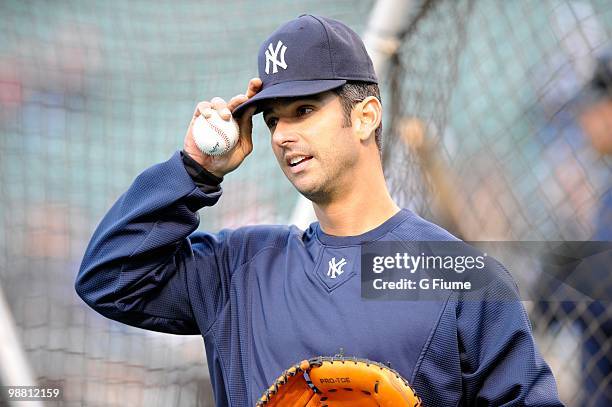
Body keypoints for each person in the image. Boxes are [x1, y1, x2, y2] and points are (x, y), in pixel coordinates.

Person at [75, 14, 563, 406]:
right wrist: (196, 171)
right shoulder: (239, 268)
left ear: (366, 115)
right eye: (272, 120)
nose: (284, 134)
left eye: (304, 110)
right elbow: (109, 278)